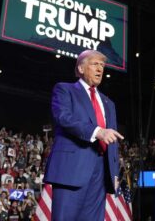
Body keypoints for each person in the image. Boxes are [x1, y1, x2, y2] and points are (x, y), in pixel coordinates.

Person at [44, 49, 124, 220]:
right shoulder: (65, 89)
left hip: (101, 173)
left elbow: (112, 139)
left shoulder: (109, 104)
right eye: (95, 64)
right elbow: (64, 118)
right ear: (81, 68)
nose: (100, 69)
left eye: (102, 65)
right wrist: (98, 132)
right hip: (72, 169)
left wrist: (115, 174)